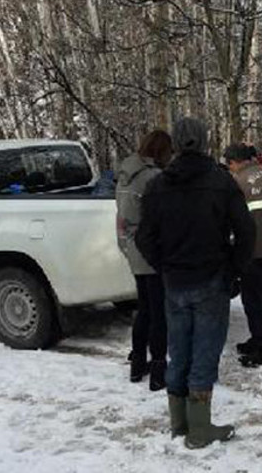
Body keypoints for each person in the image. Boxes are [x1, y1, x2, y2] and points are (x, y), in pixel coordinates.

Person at [136, 117, 255, 449]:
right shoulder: (222, 181)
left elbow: (144, 238)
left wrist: (163, 266)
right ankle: (199, 431)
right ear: (205, 142)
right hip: (211, 280)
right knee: (203, 353)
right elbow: (247, 232)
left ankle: (180, 424)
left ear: (176, 143)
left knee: (178, 351)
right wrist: (233, 269)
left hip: (175, 283)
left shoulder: (157, 185)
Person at [115, 130, 173, 391]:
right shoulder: (154, 177)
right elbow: (161, 217)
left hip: (132, 246)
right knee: (158, 312)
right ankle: (159, 368)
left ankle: (137, 362)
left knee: (144, 309)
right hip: (151, 248)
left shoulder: (125, 175)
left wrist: (125, 244)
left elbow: (120, 214)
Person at [224, 144, 262, 367]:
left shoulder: (238, 182)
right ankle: (258, 339)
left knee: (253, 301)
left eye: (230, 165)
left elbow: (235, 218)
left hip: (255, 249)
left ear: (234, 162)